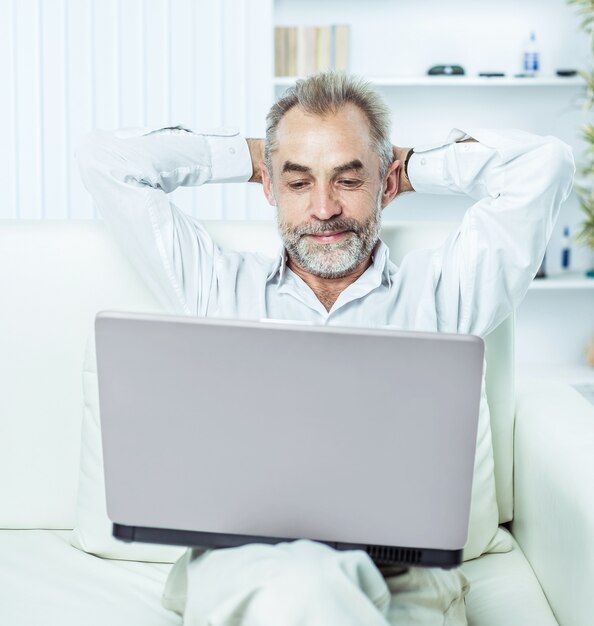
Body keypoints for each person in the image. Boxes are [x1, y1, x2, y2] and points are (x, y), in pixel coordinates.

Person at [77, 71, 574, 625]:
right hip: (249, 568)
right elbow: (107, 160)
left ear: (385, 186)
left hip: (400, 577)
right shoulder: (214, 286)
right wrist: (258, 155)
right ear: (268, 187)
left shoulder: (442, 296)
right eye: (297, 182)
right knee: (301, 588)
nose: (323, 209)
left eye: (348, 180)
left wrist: (407, 165)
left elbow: (544, 166)